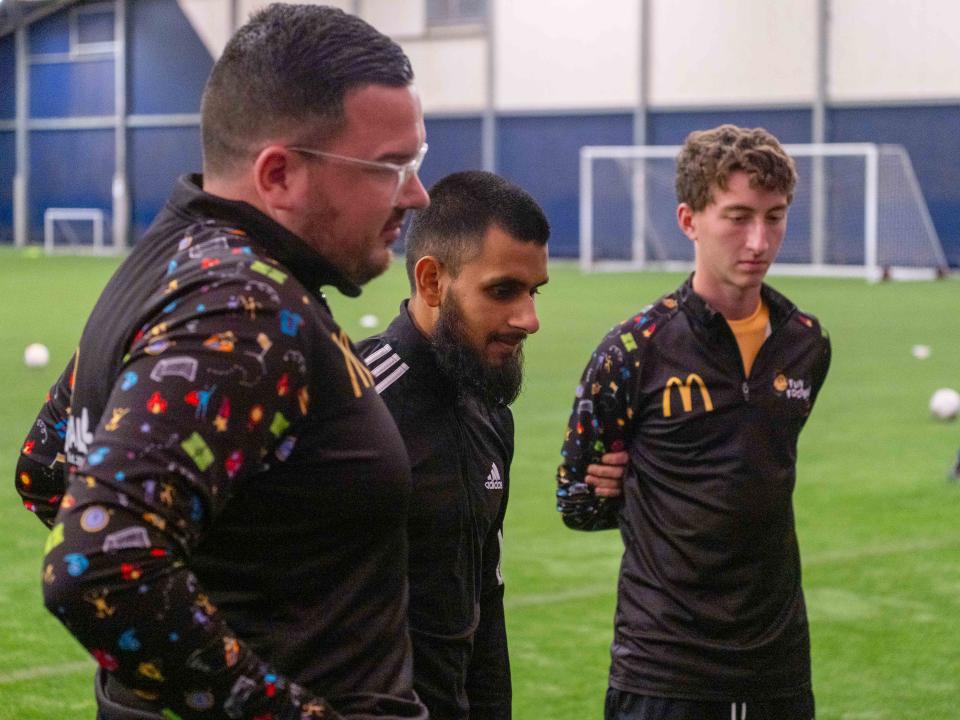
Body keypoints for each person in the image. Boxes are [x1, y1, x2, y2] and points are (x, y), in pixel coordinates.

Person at [14, 5, 431, 719]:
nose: (415, 196)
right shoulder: (243, 307)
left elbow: (45, 466)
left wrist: (230, 571)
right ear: (279, 174)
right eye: (390, 169)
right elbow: (98, 561)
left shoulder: (172, 266)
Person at [556, 125, 832, 720]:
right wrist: (633, 489)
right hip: (664, 666)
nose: (759, 240)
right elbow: (575, 498)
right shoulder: (634, 348)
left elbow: (754, 470)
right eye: (737, 217)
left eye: (774, 217)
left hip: (777, 663)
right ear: (689, 220)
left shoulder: (805, 344)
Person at [356, 171, 554, 719]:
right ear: (432, 282)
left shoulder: (489, 411)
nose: (529, 319)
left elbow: (484, 599)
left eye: (533, 292)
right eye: (503, 290)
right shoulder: (354, 409)